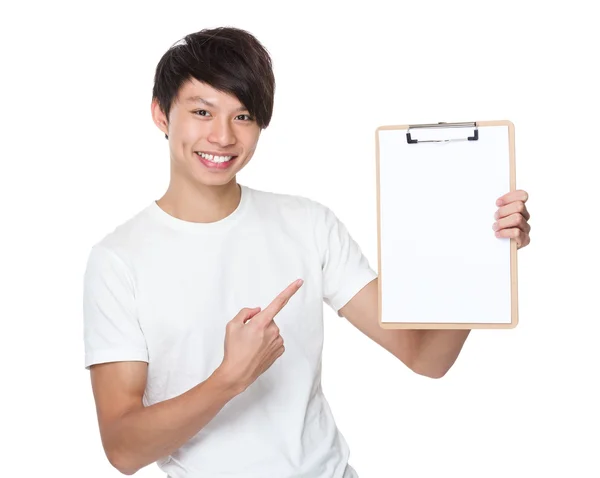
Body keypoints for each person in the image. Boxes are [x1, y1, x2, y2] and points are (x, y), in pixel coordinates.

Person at [82, 26, 532, 478]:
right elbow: (123, 449)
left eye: (242, 117)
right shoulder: (118, 261)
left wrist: (484, 254)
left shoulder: (307, 224)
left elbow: (425, 357)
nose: (222, 136)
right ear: (162, 114)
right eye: (202, 111)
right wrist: (230, 378)